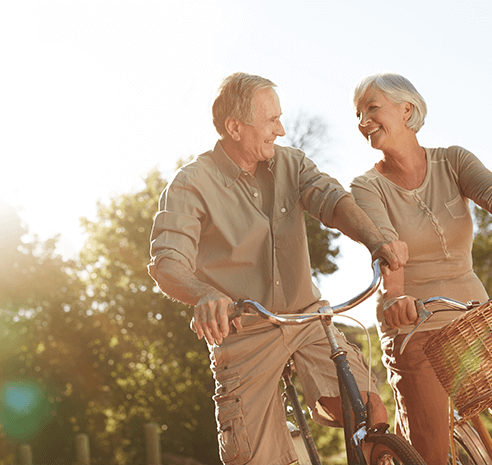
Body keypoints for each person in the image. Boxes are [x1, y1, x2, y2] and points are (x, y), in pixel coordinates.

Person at [148, 72, 408, 465]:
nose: (281, 129)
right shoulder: (191, 184)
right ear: (235, 127)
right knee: (259, 459)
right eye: (271, 121)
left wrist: (376, 240)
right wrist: (204, 293)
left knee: (369, 410)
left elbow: (333, 201)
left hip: (306, 318)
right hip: (245, 335)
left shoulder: (291, 164)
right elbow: (168, 260)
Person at [350, 72, 492, 465]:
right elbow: (386, 247)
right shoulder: (367, 187)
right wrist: (394, 296)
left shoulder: (454, 160)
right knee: (428, 448)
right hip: (415, 320)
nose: (363, 121)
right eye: (358, 114)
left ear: (407, 109)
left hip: (473, 318)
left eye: (372, 108)